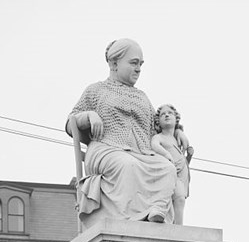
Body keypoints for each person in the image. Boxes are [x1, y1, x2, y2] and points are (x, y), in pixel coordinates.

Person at [66, 38, 177, 228]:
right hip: (106, 149)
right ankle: (129, 222)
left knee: (168, 168)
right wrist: (89, 115)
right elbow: (71, 123)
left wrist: (178, 132)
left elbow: (158, 127)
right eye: (134, 63)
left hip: (142, 152)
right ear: (114, 63)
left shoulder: (142, 96)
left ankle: (156, 210)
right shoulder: (96, 90)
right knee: (128, 165)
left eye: (140, 64)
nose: (139, 69)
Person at [151, 104, 194, 225]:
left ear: (176, 119)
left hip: (182, 175)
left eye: (170, 113)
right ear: (158, 121)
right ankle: (174, 225)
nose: (166, 115)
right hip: (171, 173)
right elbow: (154, 145)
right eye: (163, 114)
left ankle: (178, 227)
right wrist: (165, 154)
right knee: (177, 198)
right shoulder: (159, 137)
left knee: (180, 200)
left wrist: (189, 156)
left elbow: (182, 161)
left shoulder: (177, 139)